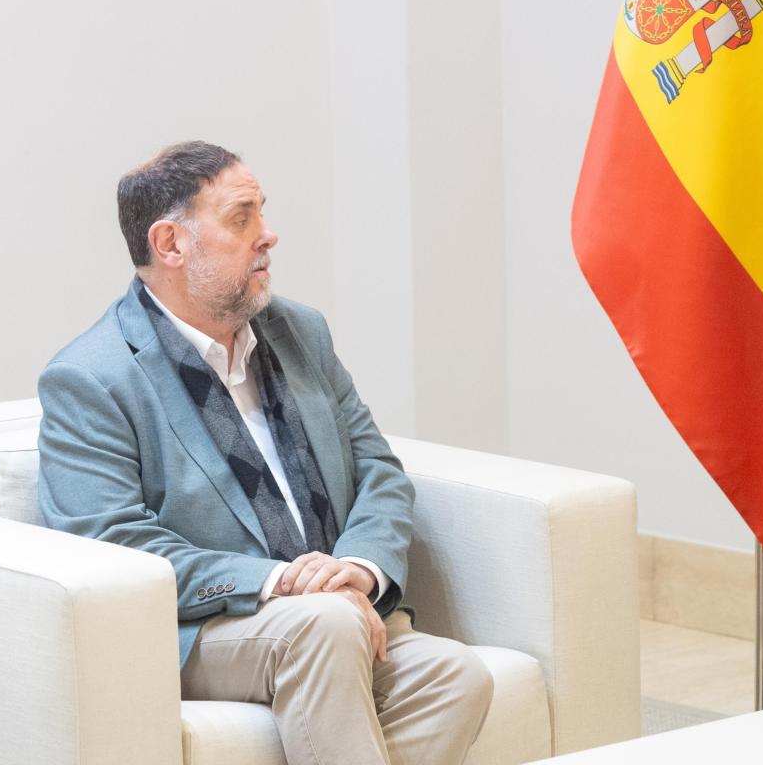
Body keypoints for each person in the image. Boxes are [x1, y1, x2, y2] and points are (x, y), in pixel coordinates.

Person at [37, 141, 492, 765]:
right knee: (326, 626)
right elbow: (110, 543)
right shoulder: (92, 377)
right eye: (241, 217)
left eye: (262, 212)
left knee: (456, 674)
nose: (268, 235)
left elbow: (379, 469)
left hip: (333, 608)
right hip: (207, 628)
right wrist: (281, 584)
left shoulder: (300, 331)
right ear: (170, 244)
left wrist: (358, 567)